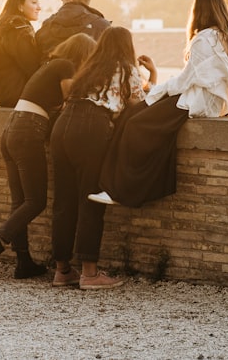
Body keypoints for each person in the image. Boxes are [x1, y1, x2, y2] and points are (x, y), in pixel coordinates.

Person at [92, 0, 228, 208]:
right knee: (134, 114)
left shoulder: (203, 40)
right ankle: (115, 187)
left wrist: (156, 92)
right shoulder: (227, 38)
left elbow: (186, 80)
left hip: (197, 101)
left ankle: (123, 191)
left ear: (198, 11)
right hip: (210, 102)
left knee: (135, 123)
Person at [0, 34, 96, 283]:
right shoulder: (66, 65)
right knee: (35, 200)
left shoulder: (48, 66)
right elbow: (71, 100)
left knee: (20, 201)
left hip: (11, 130)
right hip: (28, 131)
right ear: (83, 54)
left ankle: (24, 262)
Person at [50, 26, 156, 290]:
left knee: (63, 200)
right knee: (91, 197)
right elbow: (138, 102)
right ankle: (89, 273)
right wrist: (152, 75)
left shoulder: (89, 66)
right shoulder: (126, 67)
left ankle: (62, 270)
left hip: (62, 126)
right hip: (91, 128)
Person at [35, 0, 110, 57]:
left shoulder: (47, 24)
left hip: (53, 68)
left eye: (62, 0)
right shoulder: (103, 26)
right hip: (87, 68)